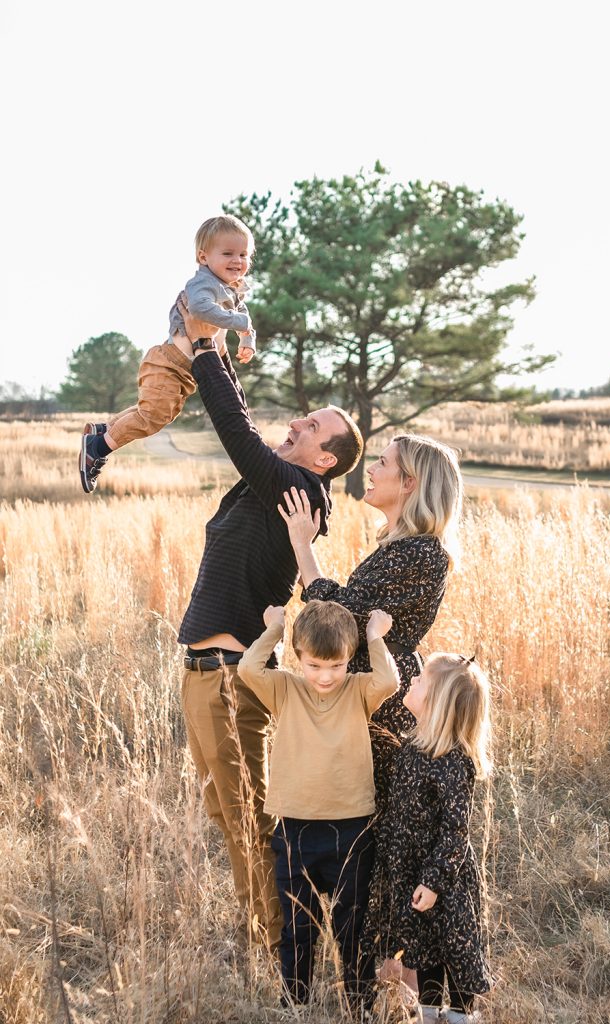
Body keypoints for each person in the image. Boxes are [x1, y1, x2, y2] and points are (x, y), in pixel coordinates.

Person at [168, 303, 364, 952]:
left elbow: (234, 429)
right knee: (225, 813)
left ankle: (282, 954)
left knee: (248, 818)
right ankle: (263, 934)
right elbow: (248, 427)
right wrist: (219, 346)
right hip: (203, 676)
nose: (295, 424)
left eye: (309, 427)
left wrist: (202, 348)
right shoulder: (276, 484)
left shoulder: (301, 492)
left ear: (325, 460)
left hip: (229, 682)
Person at [278, 433, 463, 811]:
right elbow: (353, 607)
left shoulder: (423, 552)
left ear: (409, 483)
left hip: (384, 694)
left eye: (382, 462)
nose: (372, 470)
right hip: (367, 682)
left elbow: (346, 617)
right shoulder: (400, 546)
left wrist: (303, 547)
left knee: (373, 810)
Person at [237, 600, 399, 1008]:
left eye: (336, 666)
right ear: (298, 658)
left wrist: (375, 638)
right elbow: (247, 669)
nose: (325, 677)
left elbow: (390, 680)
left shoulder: (360, 689)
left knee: (352, 927)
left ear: (349, 659)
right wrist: (274, 628)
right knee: (297, 927)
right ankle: (296, 1003)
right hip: (295, 829)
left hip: (351, 830)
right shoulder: (286, 689)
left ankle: (359, 1006)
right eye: (314, 666)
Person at [79, 214, 257, 493]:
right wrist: (241, 324)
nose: (238, 260)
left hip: (185, 371)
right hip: (169, 363)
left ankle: (104, 431)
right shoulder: (203, 284)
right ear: (203, 257)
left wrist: (247, 337)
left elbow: (241, 313)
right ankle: (96, 448)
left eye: (244, 254)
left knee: (156, 415)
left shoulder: (231, 288)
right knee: (152, 417)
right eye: (228, 253)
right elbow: (200, 310)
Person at [362, 653, 493, 1024]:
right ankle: (431, 1011)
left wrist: (433, 882)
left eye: (419, 680)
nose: (412, 681)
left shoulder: (453, 761)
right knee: (424, 946)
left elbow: (455, 833)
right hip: (411, 868)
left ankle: (462, 1014)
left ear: (436, 703)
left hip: (444, 878)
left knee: (455, 945)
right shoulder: (412, 746)